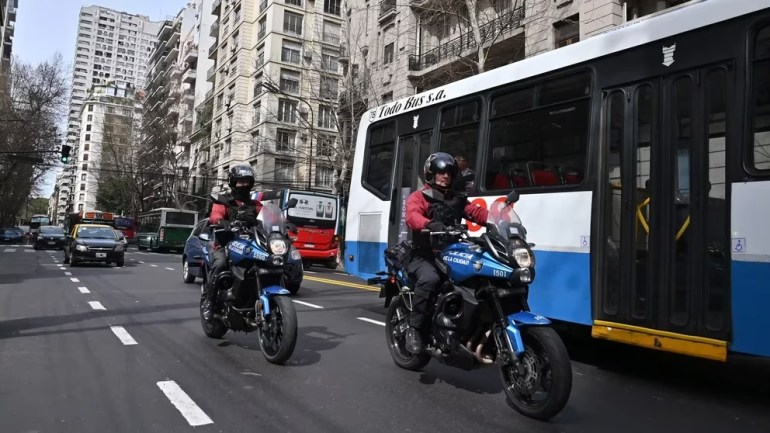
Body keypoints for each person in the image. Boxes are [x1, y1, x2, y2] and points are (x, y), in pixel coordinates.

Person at [404, 152, 489, 353]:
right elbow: (412, 216)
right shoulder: (420, 197)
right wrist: (429, 224)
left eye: (449, 173)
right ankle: (414, 329)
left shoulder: (456, 200)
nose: (445, 177)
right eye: (441, 173)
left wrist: (498, 216)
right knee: (430, 279)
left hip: (451, 253)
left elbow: (476, 213)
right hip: (425, 254)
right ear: (431, 175)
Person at [202, 164, 263, 322]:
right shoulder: (224, 201)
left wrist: (285, 222)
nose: (243, 185)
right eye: (240, 181)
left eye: (246, 182)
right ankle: (209, 302)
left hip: (251, 245)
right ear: (232, 183)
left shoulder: (255, 205)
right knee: (221, 263)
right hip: (226, 244)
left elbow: (269, 217)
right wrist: (222, 222)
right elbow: (214, 216)